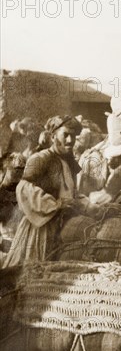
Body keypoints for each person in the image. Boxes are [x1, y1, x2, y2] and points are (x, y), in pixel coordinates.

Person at [1, 115, 100, 268]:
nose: (70, 140)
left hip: (64, 225)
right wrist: (56, 204)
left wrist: (88, 206)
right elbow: (24, 188)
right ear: (53, 136)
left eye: (73, 136)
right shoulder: (41, 158)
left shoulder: (68, 161)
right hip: (41, 229)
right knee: (36, 273)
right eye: (65, 135)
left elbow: (71, 193)